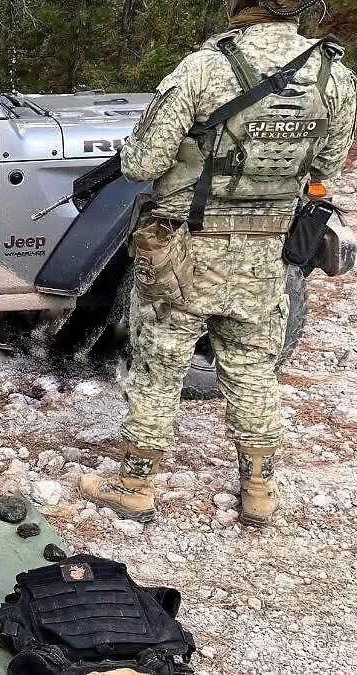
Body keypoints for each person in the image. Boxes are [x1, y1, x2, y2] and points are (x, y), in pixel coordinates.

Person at [80, 0, 356, 526]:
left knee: (159, 368)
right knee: (253, 370)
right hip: (265, 251)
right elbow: (326, 167)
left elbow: (143, 163)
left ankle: (135, 486)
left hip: (183, 250)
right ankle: (259, 491)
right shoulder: (333, 75)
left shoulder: (205, 67)